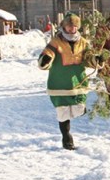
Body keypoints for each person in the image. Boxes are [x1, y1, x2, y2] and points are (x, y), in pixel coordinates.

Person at [38, 13, 95, 150]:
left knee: (78, 109)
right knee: (62, 112)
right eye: (69, 27)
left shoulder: (83, 42)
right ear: (64, 26)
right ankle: (67, 138)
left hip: (78, 82)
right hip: (59, 83)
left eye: (74, 27)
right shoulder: (56, 42)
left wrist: (96, 60)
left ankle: (79, 113)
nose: (72, 29)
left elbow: (89, 58)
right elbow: (48, 53)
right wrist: (45, 59)